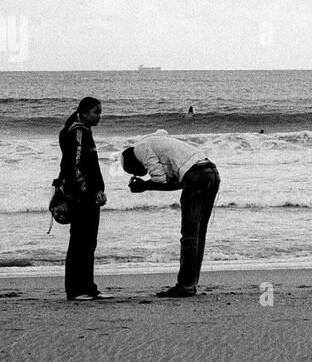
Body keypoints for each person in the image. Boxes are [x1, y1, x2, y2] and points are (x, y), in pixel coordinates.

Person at [121, 130, 220, 298]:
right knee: (198, 234)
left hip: (196, 175)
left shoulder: (140, 149)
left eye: (135, 171)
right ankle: (191, 283)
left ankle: (186, 286)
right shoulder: (158, 143)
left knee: (189, 235)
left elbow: (160, 180)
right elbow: (181, 182)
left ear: (132, 161)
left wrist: (144, 186)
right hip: (211, 172)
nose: (139, 173)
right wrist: (146, 185)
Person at [58, 97, 110, 300]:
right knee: (80, 242)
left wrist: (97, 189)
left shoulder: (82, 130)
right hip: (81, 197)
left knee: (88, 242)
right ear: (85, 112)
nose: (99, 116)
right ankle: (76, 289)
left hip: (85, 194)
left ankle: (88, 287)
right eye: (96, 112)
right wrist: (91, 191)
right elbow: (77, 166)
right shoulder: (78, 131)